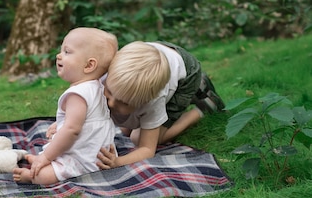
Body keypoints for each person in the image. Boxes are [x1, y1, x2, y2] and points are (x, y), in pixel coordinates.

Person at [96, 41, 225, 169]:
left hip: (187, 74)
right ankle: (197, 90)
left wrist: (117, 162)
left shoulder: (154, 101)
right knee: (125, 129)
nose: (111, 103)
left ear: (145, 101)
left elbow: (147, 149)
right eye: (109, 91)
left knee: (137, 137)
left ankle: (204, 106)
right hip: (151, 55)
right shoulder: (107, 76)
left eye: (124, 102)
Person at [13, 27, 118, 184]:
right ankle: (44, 160)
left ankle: (31, 176)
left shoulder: (77, 95)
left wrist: (46, 157)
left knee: (45, 176)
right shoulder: (97, 87)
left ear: (89, 65)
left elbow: (72, 130)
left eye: (67, 52)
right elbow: (85, 119)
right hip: (98, 154)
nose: (59, 55)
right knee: (58, 144)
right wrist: (59, 124)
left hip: (84, 160)